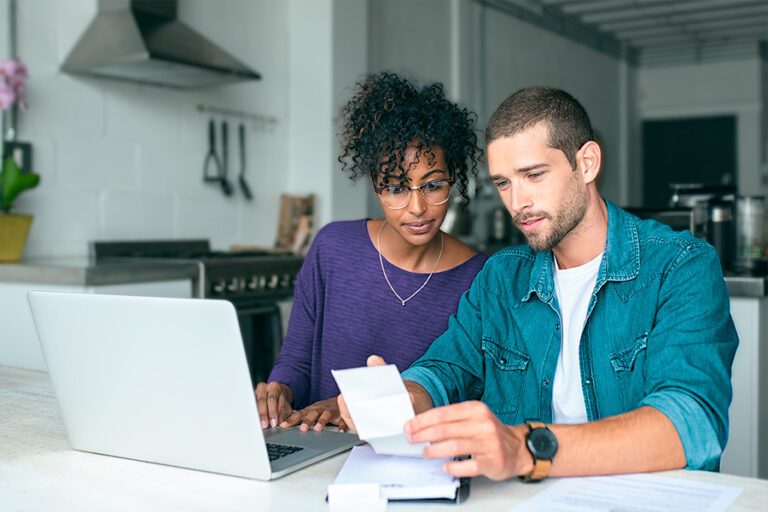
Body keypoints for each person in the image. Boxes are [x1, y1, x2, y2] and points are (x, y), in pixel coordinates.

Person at [340, 86, 738, 481]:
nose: (517, 202)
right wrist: (407, 397)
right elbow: (446, 367)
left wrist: (528, 448)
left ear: (587, 163)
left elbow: (692, 423)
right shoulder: (500, 277)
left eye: (533, 175)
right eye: (504, 183)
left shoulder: (680, 265)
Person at [255, 72, 488, 433]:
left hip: (412, 460)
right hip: (315, 449)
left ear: (453, 181)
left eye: (433, 185)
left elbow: (462, 391)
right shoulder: (332, 248)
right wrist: (279, 391)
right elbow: (297, 360)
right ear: (375, 188)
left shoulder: (478, 278)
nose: (417, 207)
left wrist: (348, 407)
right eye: (395, 188)